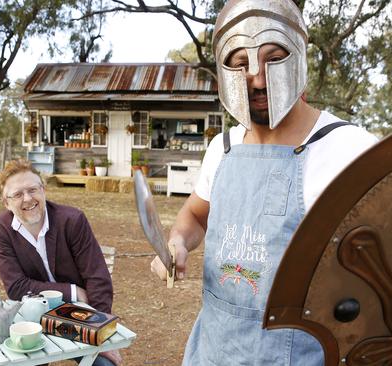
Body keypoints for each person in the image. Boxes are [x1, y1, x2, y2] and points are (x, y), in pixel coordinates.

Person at [150, 0, 379, 364]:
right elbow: (194, 216)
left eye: (273, 58)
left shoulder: (349, 150)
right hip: (214, 349)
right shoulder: (221, 148)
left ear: (299, 55)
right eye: (239, 64)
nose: (256, 78)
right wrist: (177, 242)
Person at [0, 159, 119, 365]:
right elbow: (16, 287)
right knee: (27, 362)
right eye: (17, 194)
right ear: (6, 203)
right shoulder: (2, 229)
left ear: (44, 190)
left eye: (33, 189)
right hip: (33, 315)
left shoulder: (72, 220)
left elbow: (98, 277)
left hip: (80, 313)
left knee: (104, 365)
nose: (27, 198)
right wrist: (73, 291)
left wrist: (101, 333)